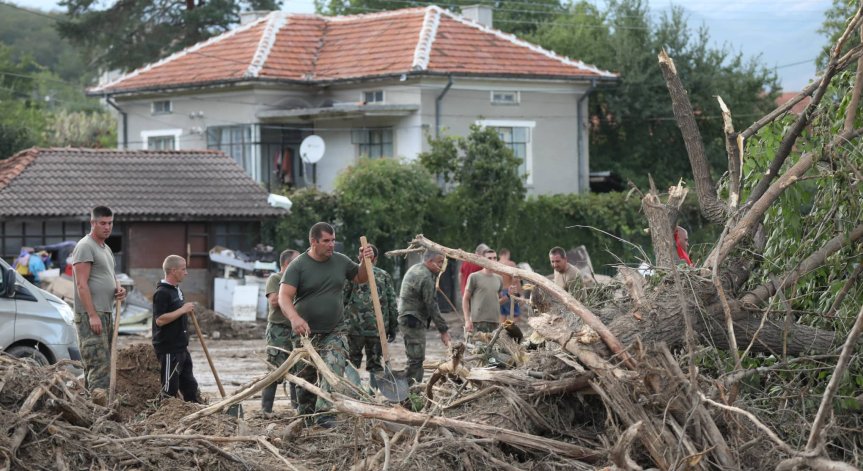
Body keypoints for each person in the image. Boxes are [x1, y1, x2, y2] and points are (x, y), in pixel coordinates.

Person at [278, 222, 373, 425]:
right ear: (314, 242)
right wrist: (294, 318)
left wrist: (365, 261)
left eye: (333, 240)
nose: (332, 245)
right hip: (306, 333)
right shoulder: (298, 266)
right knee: (306, 380)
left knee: (332, 367)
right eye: (326, 241)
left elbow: (360, 277)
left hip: (335, 330)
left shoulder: (340, 261)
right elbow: (283, 297)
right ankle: (306, 417)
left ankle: (325, 413)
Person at [72, 206, 127, 394]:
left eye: (110, 223)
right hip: (91, 316)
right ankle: (98, 414)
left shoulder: (106, 249)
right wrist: (92, 315)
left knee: (105, 364)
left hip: (106, 313)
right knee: (98, 366)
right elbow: (81, 284)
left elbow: (110, 277)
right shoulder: (85, 246)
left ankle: (93, 409)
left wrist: (118, 290)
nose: (107, 227)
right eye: (103, 223)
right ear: (92, 223)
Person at [343, 244, 398, 386]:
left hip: (354, 328)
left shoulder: (351, 276)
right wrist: (392, 327)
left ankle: (356, 390)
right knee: (375, 363)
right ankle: (372, 394)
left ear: (358, 257)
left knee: (351, 361)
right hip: (377, 328)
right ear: (376, 259)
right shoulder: (384, 275)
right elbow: (392, 304)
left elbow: (343, 300)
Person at [152, 255, 201, 402]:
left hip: (181, 347)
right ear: (173, 271)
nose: (186, 272)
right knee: (169, 390)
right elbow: (159, 320)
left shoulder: (176, 290)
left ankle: (194, 415)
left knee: (190, 386)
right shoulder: (161, 293)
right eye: (183, 269)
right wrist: (182, 310)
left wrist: (185, 310)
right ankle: (164, 419)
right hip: (169, 349)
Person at [399, 250, 452, 384]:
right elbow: (432, 305)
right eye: (440, 262)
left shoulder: (417, 269)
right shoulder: (425, 276)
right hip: (412, 320)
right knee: (416, 360)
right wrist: (443, 331)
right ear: (430, 261)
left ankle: (410, 390)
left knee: (415, 358)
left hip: (409, 318)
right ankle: (409, 392)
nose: (442, 266)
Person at [261, 248, 300, 415]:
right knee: (275, 370)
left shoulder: (299, 279)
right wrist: (289, 290)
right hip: (278, 330)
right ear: (286, 263)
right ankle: (266, 410)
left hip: (295, 330)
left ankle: (297, 408)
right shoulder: (275, 278)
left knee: (297, 369)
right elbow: (275, 301)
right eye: (297, 261)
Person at [463, 249, 505, 333]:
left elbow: (497, 301)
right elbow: (465, 299)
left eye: (494, 258)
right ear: (483, 260)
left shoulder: (499, 278)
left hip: (495, 322)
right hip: (478, 322)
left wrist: (509, 295)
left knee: (495, 346)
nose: (492, 260)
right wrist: (467, 320)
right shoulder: (474, 277)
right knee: (478, 346)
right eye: (489, 258)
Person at [497, 248, 521, 322]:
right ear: (507, 254)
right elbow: (515, 280)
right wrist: (519, 293)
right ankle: (509, 332)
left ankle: (502, 332)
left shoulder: (495, 264)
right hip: (509, 291)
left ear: (499, 255)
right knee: (515, 316)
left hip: (499, 293)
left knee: (502, 315)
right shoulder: (511, 264)